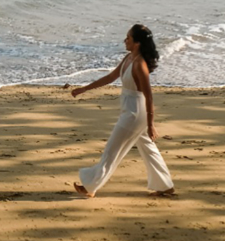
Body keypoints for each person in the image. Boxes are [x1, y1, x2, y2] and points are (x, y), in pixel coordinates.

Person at [69, 24, 174, 198]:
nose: (124, 40)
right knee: (148, 149)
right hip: (130, 110)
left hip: (135, 115)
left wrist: (151, 124)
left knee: (111, 150)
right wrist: (84, 89)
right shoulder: (128, 58)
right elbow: (110, 77)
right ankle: (165, 186)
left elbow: (149, 96)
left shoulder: (140, 65)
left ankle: (90, 186)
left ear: (137, 43)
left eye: (128, 38)